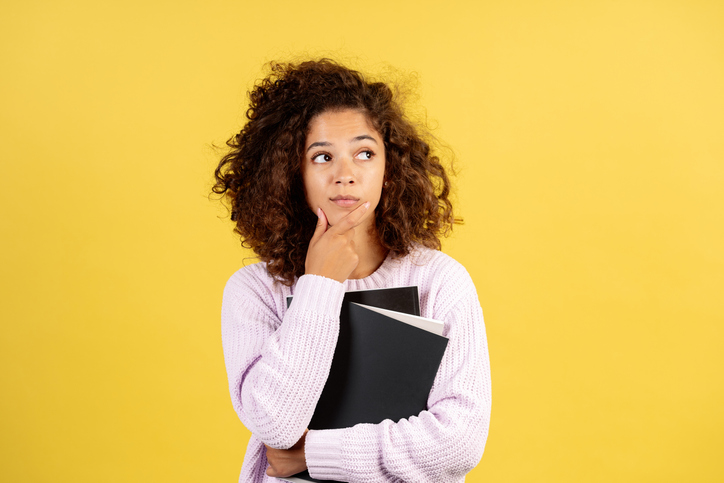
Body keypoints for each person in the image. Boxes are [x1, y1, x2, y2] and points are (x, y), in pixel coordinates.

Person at [214, 59, 491, 482]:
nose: (345, 175)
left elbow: (460, 441)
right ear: (292, 173)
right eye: (322, 156)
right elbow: (275, 425)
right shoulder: (254, 290)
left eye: (365, 153)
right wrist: (320, 284)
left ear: (390, 168)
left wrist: (314, 454)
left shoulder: (440, 280)